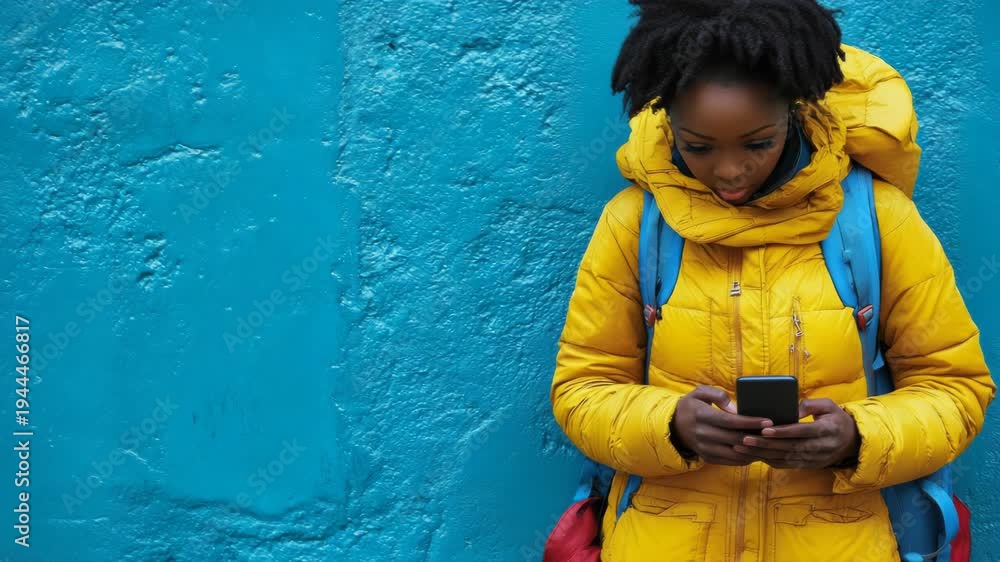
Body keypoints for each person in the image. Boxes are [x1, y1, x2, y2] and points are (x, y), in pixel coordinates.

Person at [549, 1, 996, 560]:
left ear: (794, 111)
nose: (730, 171)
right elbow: (581, 389)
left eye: (758, 143)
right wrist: (670, 426)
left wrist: (857, 437)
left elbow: (956, 389)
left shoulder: (879, 220)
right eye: (698, 146)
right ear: (667, 122)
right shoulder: (634, 224)